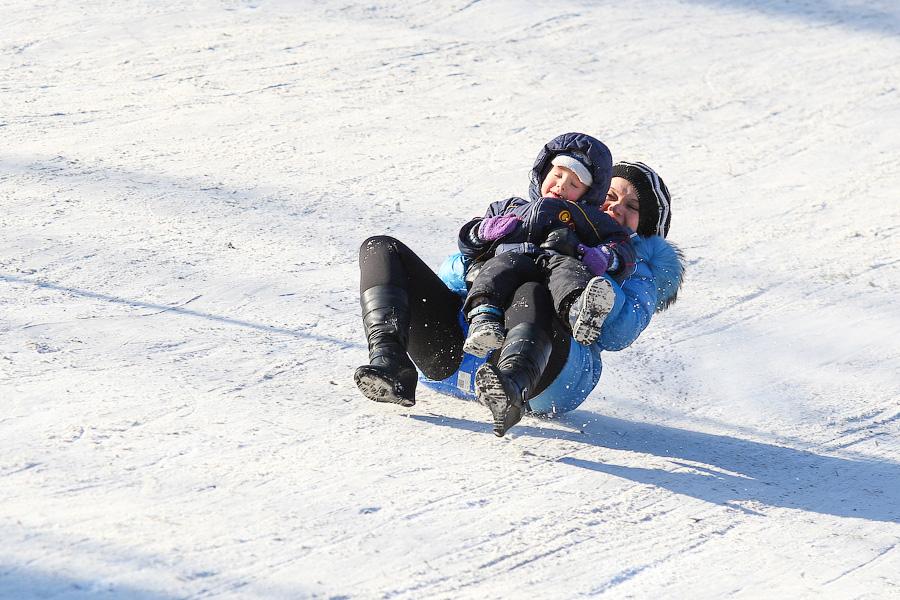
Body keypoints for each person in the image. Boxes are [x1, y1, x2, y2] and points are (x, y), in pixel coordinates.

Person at [354, 141, 684, 437]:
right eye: (611, 197)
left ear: (648, 226)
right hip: (462, 351)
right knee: (381, 248)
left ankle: (511, 386)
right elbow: (452, 276)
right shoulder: (527, 217)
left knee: (534, 285)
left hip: (547, 376)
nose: (616, 209)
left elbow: (619, 333)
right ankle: (390, 359)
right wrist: (489, 251)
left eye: (632, 208)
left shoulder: (636, 266)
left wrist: (589, 266)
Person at [457, 134, 637, 358]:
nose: (561, 185)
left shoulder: (588, 217)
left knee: (568, 270)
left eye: (574, 184)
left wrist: (605, 255)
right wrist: (484, 230)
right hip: (513, 259)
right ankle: (483, 320)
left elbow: (621, 244)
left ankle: (578, 311)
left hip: (552, 267)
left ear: (587, 194)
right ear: (543, 173)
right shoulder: (510, 207)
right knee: (498, 267)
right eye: (558, 175)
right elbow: (467, 240)